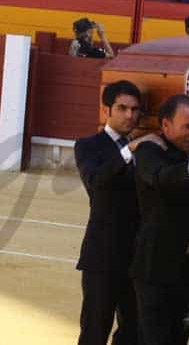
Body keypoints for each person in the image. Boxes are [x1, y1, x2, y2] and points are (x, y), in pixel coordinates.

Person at [131, 94, 189, 345]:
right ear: (165, 125)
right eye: (187, 126)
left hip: (186, 267)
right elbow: (159, 177)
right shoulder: (151, 150)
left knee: (178, 337)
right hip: (154, 268)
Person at [74, 80, 153, 345]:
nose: (130, 115)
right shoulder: (88, 145)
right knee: (95, 330)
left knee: (133, 332)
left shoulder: (144, 150)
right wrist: (128, 151)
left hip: (136, 256)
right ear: (107, 109)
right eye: (122, 108)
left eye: (134, 109)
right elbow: (96, 181)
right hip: (103, 255)